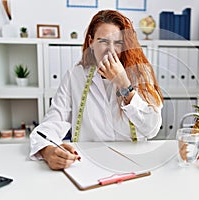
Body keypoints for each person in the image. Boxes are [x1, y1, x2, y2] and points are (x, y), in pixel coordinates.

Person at [29, 10, 163, 170]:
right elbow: (51, 123)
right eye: (104, 41)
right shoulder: (75, 76)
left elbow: (152, 129)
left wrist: (124, 85)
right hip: (88, 165)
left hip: (133, 165)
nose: (111, 50)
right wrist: (47, 150)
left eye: (118, 43)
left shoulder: (140, 74)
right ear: (91, 42)